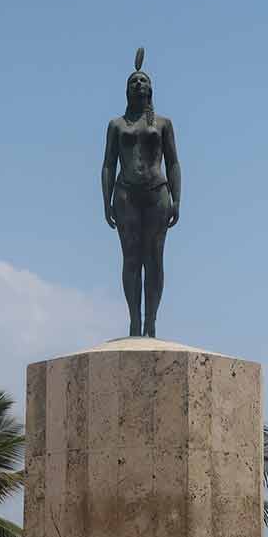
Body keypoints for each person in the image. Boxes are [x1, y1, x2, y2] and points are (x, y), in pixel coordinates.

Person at [100, 48, 181, 338]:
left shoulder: (162, 124)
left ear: (151, 89)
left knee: (154, 258)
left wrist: (177, 199)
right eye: (133, 81)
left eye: (143, 81)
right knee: (131, 258)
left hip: (157, 192)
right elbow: (108, 164)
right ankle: (134, 320)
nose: (138, 84)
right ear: (126, 90)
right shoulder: (116, 125)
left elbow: (173, 162)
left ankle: (151, 320)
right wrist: (105, 199)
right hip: (126, 194)